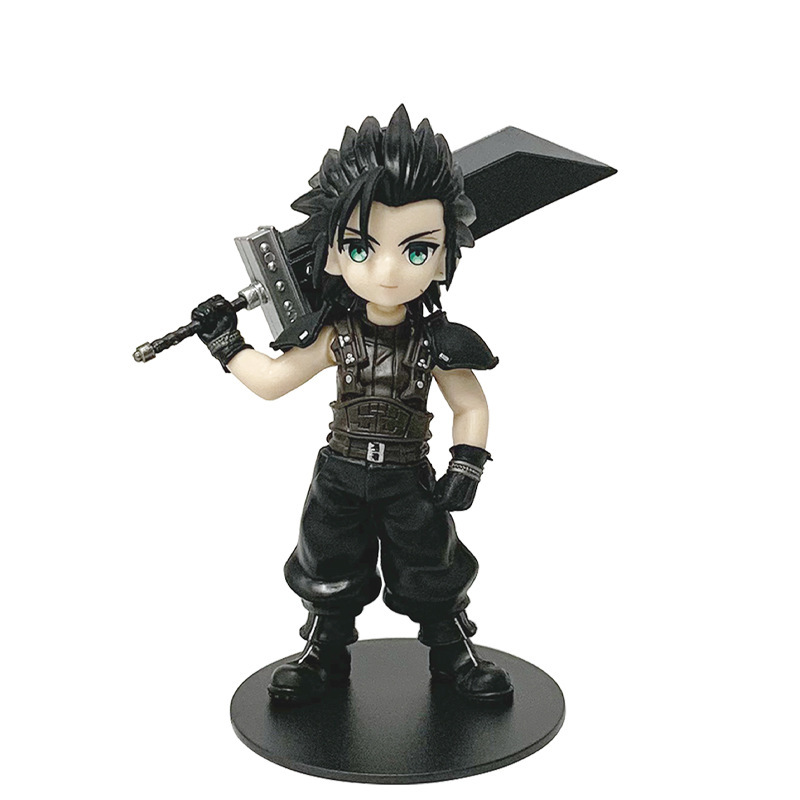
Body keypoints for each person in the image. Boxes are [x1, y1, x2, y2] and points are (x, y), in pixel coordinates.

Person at [191, 106, 513, 705]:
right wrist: (226, 343)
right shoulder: (332, 336)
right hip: (340, 472)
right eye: (363, 248)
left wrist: (467, 463)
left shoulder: (437, 341)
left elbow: (470, 406)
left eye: (416, 251)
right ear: (333, 255)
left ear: (444, 255)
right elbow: (273, 380)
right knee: (327, 566)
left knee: (432, 566)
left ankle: (453, 652)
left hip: (408, 478)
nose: (388, 271)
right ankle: (323, 652)